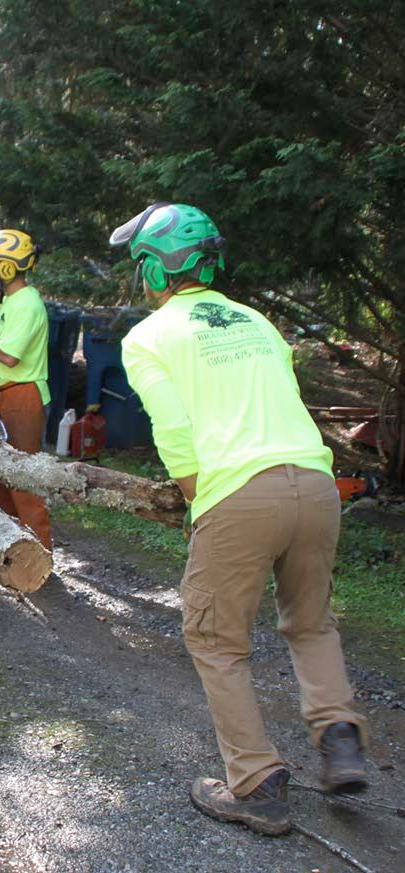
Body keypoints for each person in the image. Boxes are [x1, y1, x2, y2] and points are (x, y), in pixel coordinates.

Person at [110, 202, 367, 836]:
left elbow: (174, 434)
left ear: (155, 269)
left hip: (240, 493)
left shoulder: (149, 336)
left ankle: (254, 783)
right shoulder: (257, 322)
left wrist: (204, 500)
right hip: (315, 483)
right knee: (310, 623)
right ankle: (340, 741)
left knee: (216, 640)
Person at [0, 229, 52, 550]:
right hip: (10, 394)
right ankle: (13, 548)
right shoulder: (13, 300)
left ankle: (40, 554)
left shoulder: (27, 304)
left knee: (24, 479)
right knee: (3, 475)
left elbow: (9, 356)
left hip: (24, 394)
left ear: (6, 267)